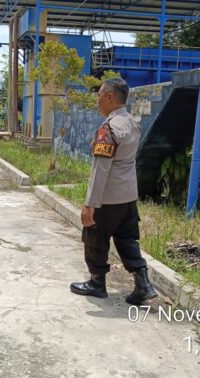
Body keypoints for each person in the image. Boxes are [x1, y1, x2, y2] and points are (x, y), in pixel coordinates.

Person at [70, 77, 157, 305]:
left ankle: (97, 283)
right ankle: (143, 284)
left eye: (99, 96)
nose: (97, 101)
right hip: (128, 197)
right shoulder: (133, 123)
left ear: (110, 97)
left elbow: (101, 170)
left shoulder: (108, 129)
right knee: (127, 240)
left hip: (107, 199)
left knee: (94, 237)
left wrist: (90, 204)